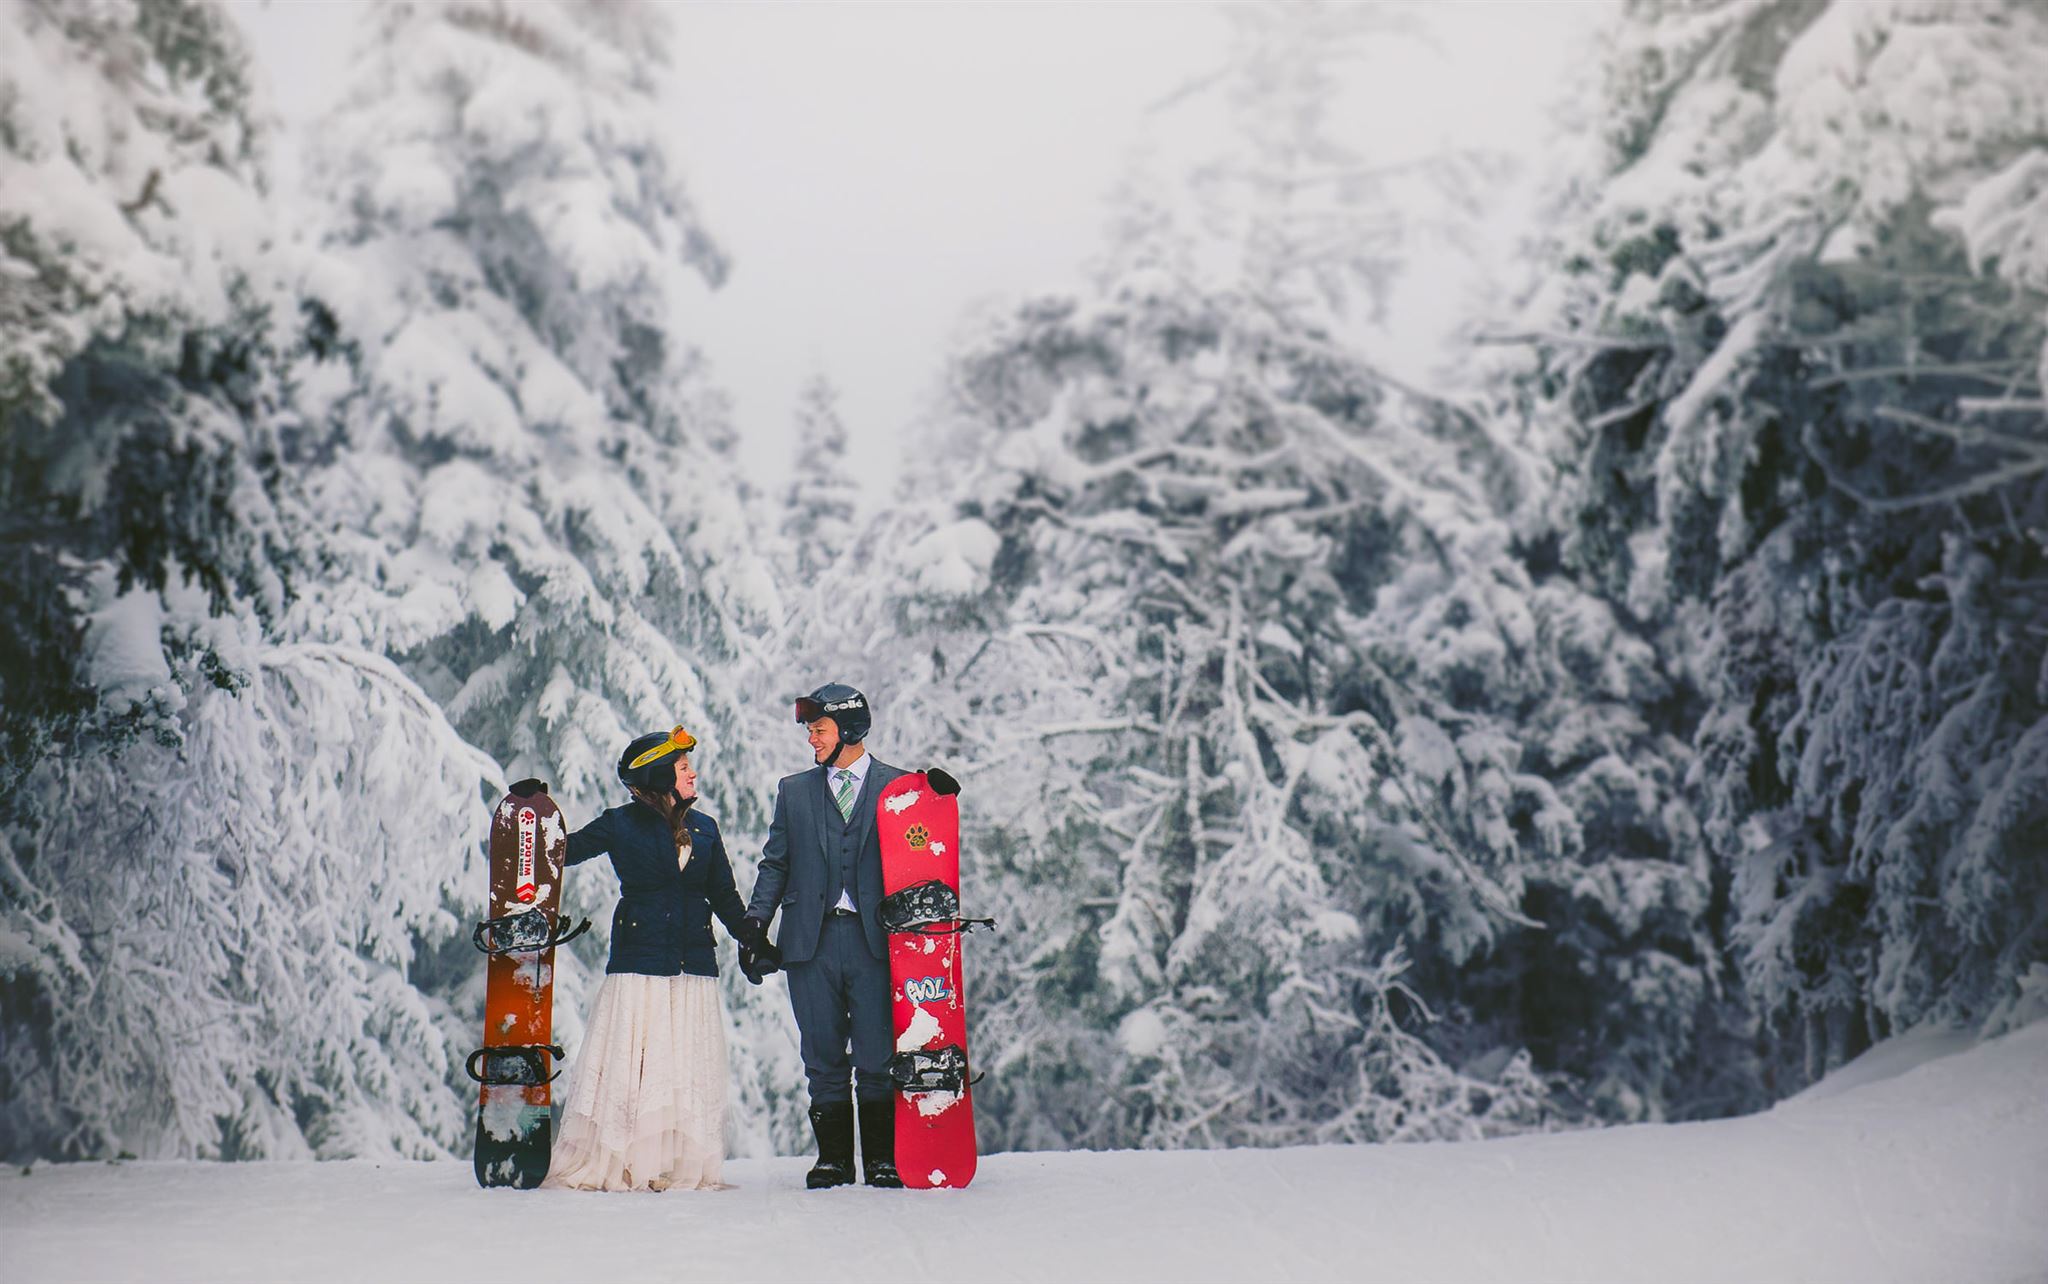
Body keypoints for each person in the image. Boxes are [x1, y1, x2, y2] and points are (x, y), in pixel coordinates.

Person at [540, 725, 777, 1192]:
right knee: (640, 1064)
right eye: (683, 767)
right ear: (658, 775)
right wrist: (533, 820)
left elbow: (724, 896)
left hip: (693, 966)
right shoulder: (620, 823)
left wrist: (753, 940)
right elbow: (562, 852)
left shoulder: (705, 828)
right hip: (639, 966)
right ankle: (626, 1160)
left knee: (681, 1065)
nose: (693, 773)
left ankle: (671, 1163)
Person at [741, 683, 907, 1189]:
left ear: (850, 730)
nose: (811, 739)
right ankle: (834, 1159)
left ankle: (882, 1159)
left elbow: (926, 854)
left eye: (819, 729)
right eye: (810, 730)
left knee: (878, 1056)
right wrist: (755, 924)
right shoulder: (794, 791)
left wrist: (939, 798)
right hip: (809, 944)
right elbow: (776, 863)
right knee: (822, 1056)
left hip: (873, 943)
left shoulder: (899, 789)